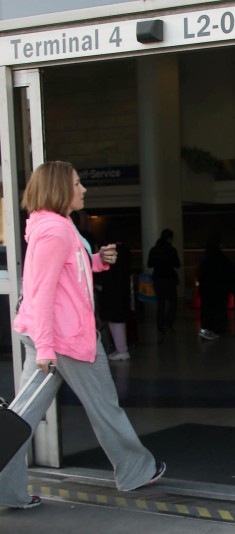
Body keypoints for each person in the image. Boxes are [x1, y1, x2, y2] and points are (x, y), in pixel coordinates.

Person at [0, 160, 165, 510]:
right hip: (64, 340)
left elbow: (66, 273)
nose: (83, 189)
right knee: (105, 407)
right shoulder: (55, 230)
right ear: (61, 188)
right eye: (77, 183)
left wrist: (96, 260)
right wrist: (46, 347)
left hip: (55, 337)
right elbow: (41, 290)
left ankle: (7, 491)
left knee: (20, 419)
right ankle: (136, 469)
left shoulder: (58, 226)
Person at [96, 239, 133, 360]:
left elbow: (107, 273)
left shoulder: (112, 254)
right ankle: (121, 349)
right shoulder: (126, 252)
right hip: (122, 291)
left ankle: (121, 350)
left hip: (112, 292)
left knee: (115, 321)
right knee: (118, 321)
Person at [198, 233, 235, 340]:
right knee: (218, 310)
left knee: (206, 310)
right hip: (218, 288)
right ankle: (216, 329)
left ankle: (205, 330)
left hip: (206, 288)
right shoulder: (220, 257)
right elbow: (231, 268)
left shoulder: (205, 256)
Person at [147, 228, 180, 335]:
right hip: (170, 278)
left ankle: (160, 326)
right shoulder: (171, 250)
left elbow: (150, 264)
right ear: (169, 238)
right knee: (173, 302)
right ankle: (168, 322)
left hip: (158, 278)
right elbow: (177, 264)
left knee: (161, 303)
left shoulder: (154, 249)